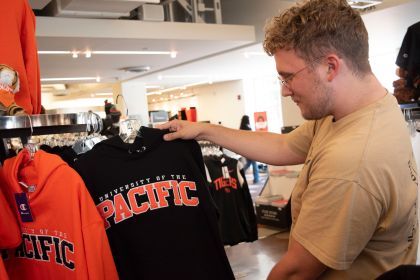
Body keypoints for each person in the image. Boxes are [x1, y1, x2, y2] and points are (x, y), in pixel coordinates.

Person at [158, 0, 418, 278]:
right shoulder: (369, 107)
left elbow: (295, 272)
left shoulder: (350, 161)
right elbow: (284, 146)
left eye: (288, 77)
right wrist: (203, 130)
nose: (284, 91)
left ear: (330, 67)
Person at [239, 115, 260, 183]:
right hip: (251, 148)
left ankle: (239, 173)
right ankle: (256, 179)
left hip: (245, 149)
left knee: (249, 163)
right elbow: (252, 138)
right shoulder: (248, 127)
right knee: (254, 164)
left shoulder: (241, 128)